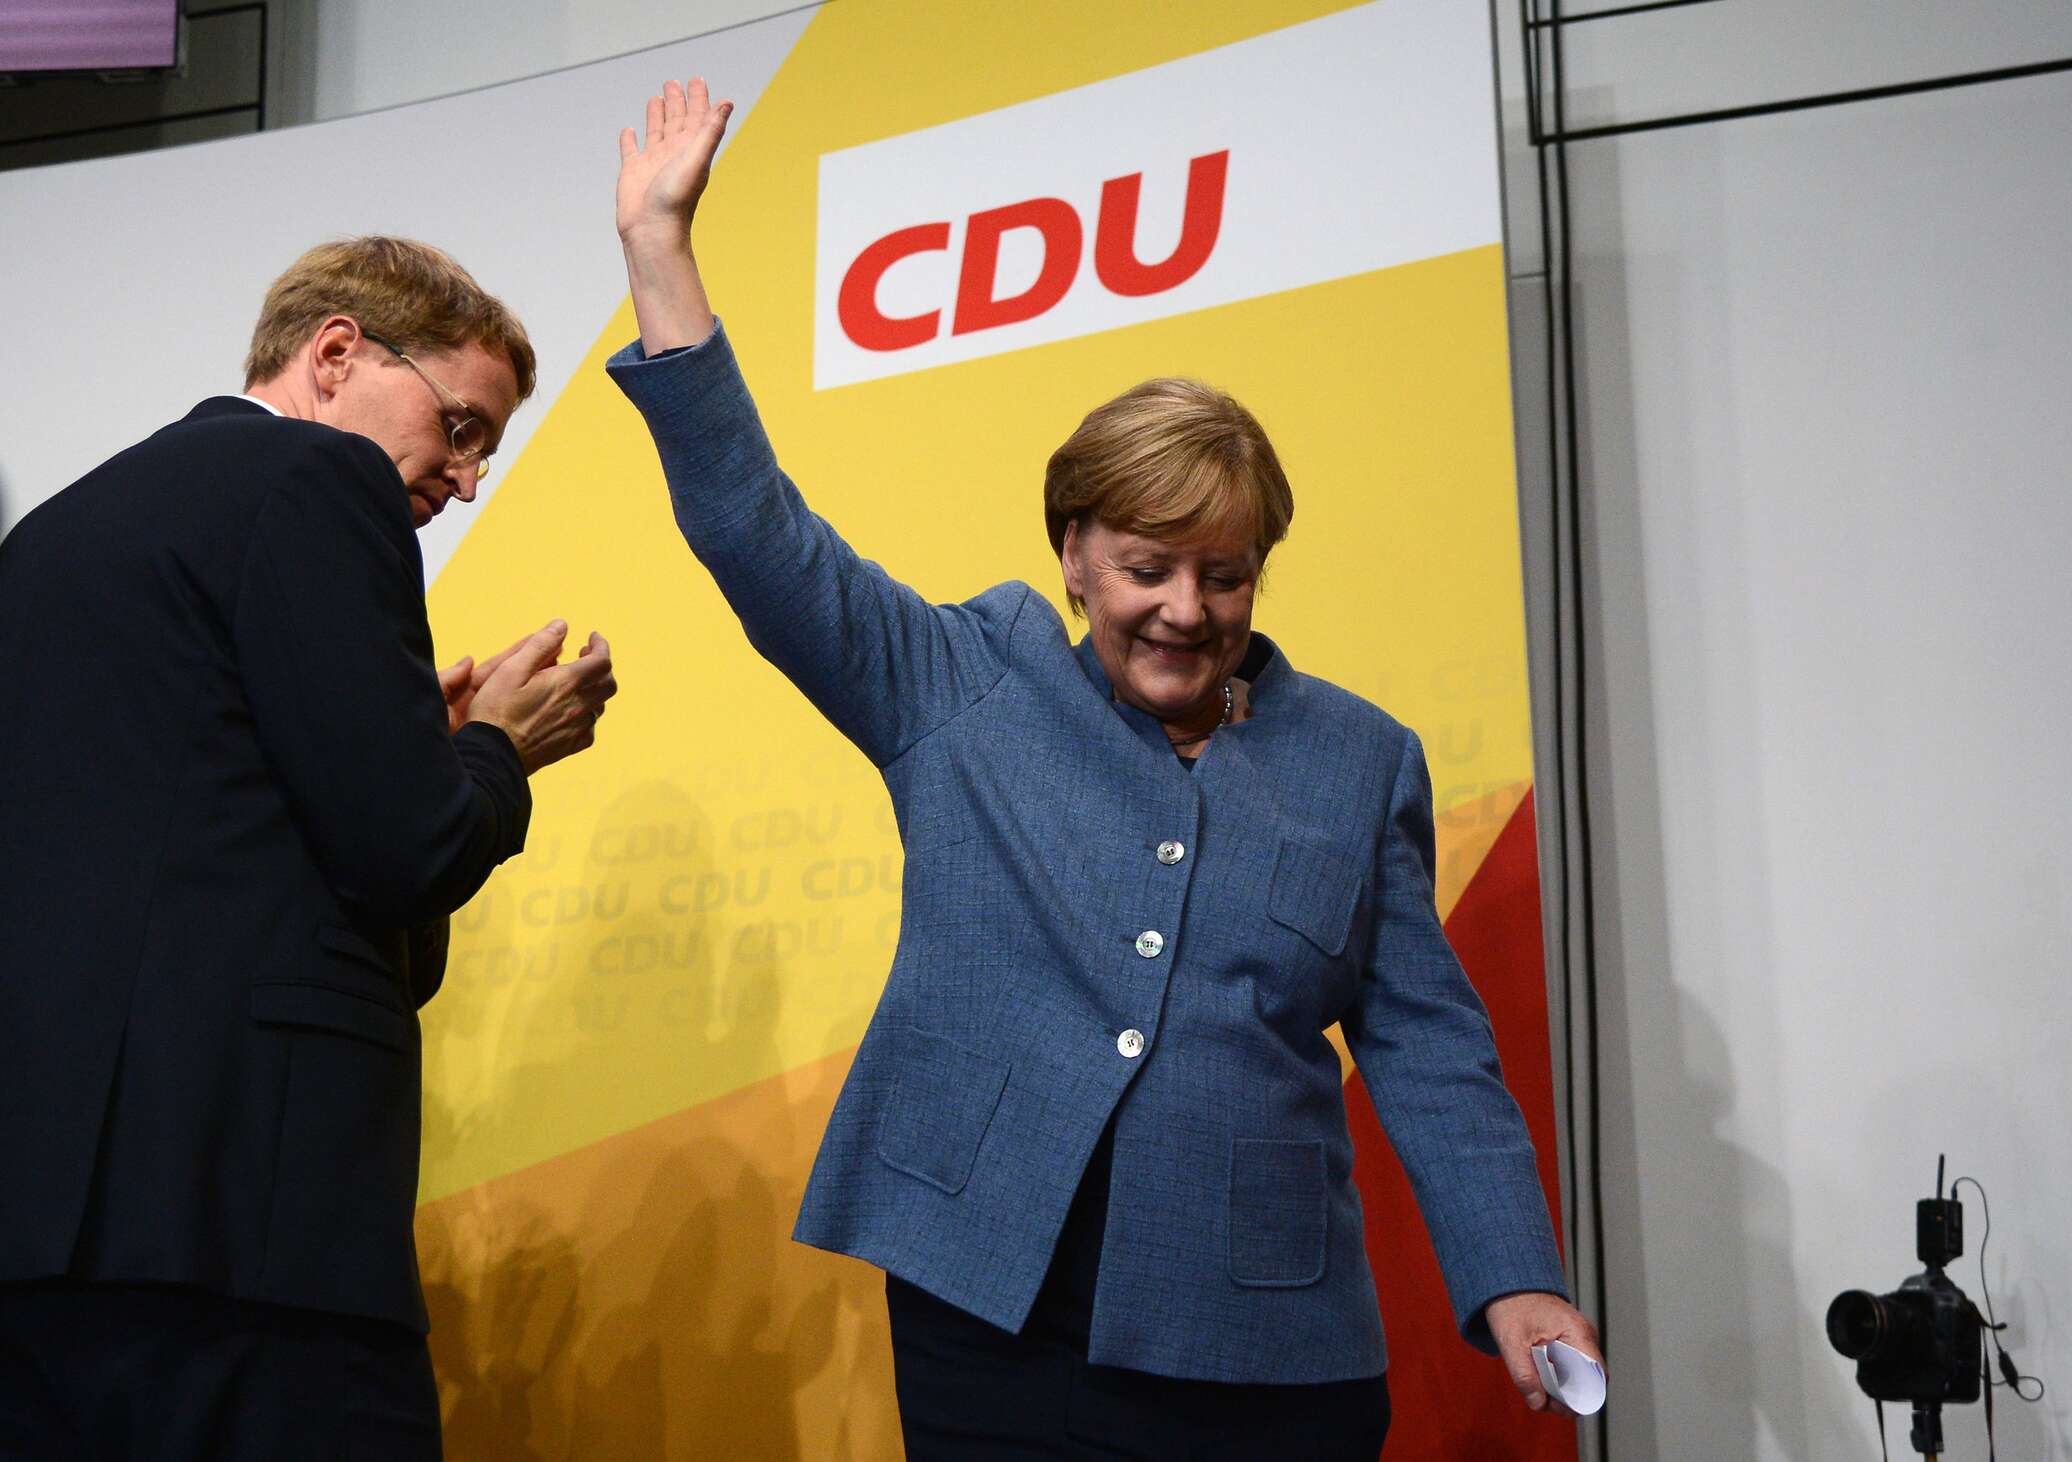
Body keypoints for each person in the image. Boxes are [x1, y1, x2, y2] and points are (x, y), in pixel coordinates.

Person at [611, 81, 1600, 1457]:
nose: (1185, 610)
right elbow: (753, 531)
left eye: (1224, 574)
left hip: (1266, 1340)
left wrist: (1515, 1271)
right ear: (1073, 554)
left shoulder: (1358, 759)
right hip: (995, 1320)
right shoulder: (964, 683)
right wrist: (659, 248)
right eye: (1146, 568)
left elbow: (1429, 1046)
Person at [0, 237, 616, 1460]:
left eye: (484, 448)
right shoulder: (318, 480)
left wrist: (415, 751)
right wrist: (496, 753)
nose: (465, 478)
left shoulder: (49, 538)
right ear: (335, 353)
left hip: (37, 1248)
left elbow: (213, 841)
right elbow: (410, 854)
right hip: (248, 1237)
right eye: (458, 424)